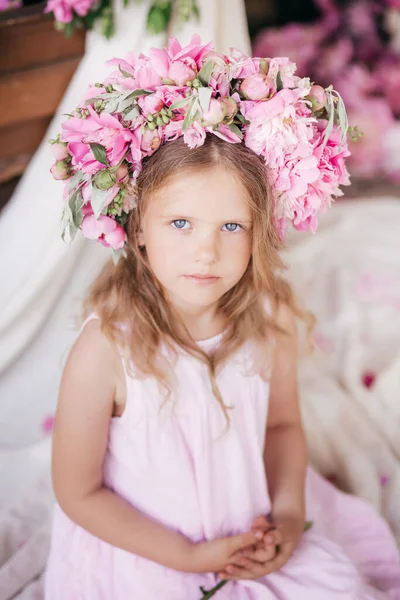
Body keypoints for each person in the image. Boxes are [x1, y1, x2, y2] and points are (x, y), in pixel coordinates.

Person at [44, 37, 400, 599]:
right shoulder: (107, 352)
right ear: (138, 229)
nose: (205, 252)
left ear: (259, 232)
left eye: (230, 227)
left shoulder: (267, 319)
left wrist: (286, 514)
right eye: (181, 224)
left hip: (246, 523)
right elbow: (78, 492)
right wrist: (186, 556)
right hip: (149, 550)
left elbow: (281, 427)